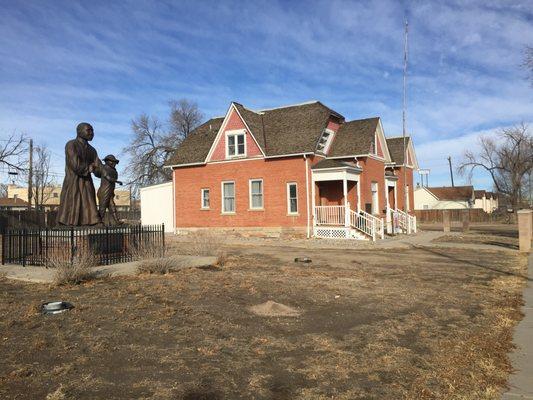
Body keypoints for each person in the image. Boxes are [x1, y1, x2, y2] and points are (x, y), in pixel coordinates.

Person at [57, 123, 102, 226]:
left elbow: (98, 168)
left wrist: (105, 170)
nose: (91, 133)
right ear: (79, 131)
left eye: (92, 131)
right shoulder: (71, 145)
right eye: (88, 130)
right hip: (74, 181)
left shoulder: (92, 150)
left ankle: (92, 221)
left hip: (87, 182)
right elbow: (75, 165)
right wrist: (90, 167)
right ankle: (68, 223)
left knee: (89, 202)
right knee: (73, 202)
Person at [97, 154, 123, 225]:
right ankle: (99, 221)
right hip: (104, 192)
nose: (114, 163)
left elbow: (113, 177)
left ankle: (116, 221)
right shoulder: (104, 168)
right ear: (107, 161)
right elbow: (108, 178)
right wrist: (117, 181)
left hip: (110, 192)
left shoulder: (114, 171)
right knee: (102, 207)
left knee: (112, 207)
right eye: (112, 161)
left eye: (114, 162)